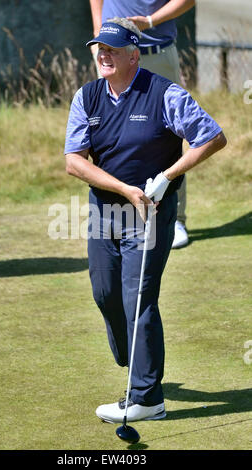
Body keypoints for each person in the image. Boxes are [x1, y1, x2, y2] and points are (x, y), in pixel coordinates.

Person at [64, 18, 226, 423]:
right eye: (99, 48)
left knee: (139, 300)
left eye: (113, 50)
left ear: (133, 57)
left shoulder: (164, 93)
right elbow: (73, 162)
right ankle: (133, 360)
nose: (103, 55)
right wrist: (123, 189)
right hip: (107, 211)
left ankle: (146, 398)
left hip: (151, 212)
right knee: (105, 293)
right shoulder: (87, 97)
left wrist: (167, 177)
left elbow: (212, 137)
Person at [89, 0, 196, 249]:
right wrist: (97, 31)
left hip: (157, 53)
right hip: (113, 54)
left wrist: (150, 22)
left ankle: (174, 218)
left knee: (168, 135)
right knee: (112, 134)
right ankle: (120, 214)